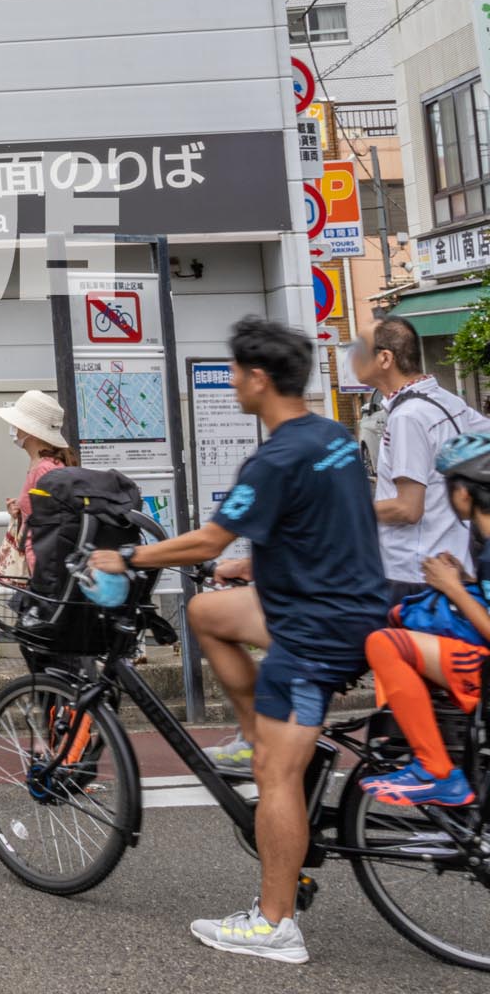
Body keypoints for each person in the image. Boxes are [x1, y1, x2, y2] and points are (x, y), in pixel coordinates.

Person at [88, 316, 387, 965]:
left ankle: (275, 924)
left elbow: (205, 541)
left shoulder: (276, 456)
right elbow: (335, 522)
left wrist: (130, 558)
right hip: (349, 605)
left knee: (274, 775)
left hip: (313, 629)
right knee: (209, 611)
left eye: (234, 372)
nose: (229, 383)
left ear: (257, 379)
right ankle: (258, 730)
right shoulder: (330, 436)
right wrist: (253, 565)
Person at [358, 431, 490, 808]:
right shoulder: (483, 541)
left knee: (384, 643)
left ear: (463, 493)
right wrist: (463, 582)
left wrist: (455, 589)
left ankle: (436, 770)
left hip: (481, 664)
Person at [346, 317, 489, 605]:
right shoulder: (447, 402)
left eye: (359, 348)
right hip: (453, 563)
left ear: (385, 358)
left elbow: (408, 508)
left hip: (414, 573)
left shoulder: (408, 416)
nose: (352, 356)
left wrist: (345, 509)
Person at [0, 388, 71, 574]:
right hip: (40, 564)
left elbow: (52, 521)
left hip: (43, 567)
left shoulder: (45, 469)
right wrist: (19, 510)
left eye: (17, 424)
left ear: (30, 431)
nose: (14, 429)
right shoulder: (44, 464)